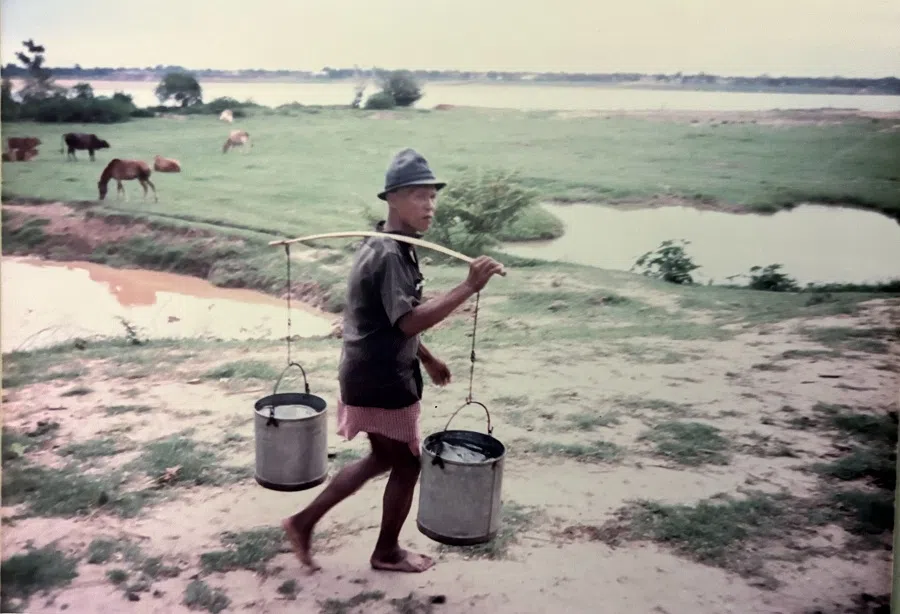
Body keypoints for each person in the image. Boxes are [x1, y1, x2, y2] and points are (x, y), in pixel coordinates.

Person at [282, 148, 505, 574]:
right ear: (393, 199)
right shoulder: (388, 255)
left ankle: (303, 523)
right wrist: (468, 288)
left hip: (369, 370)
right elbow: (407, 321)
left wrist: (429, 358)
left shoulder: (393, 246)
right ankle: (383, 551)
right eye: (420, 196)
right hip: (381, 378)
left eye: (433, 196)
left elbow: (389, 319)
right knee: (405, 463)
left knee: (383, 458)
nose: (430, 205)